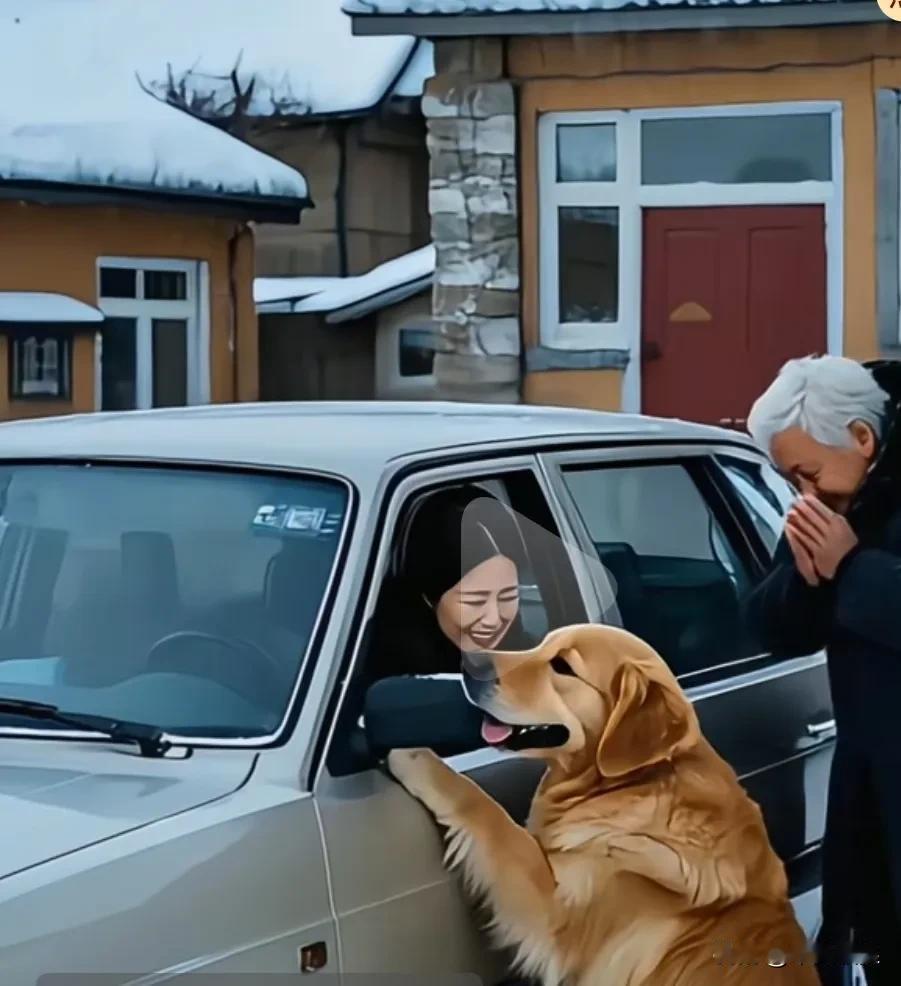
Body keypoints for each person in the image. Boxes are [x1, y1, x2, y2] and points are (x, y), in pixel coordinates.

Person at [745, 355, 901, 986]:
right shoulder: (837, 500)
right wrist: (808, 584)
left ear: (862, 438)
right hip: (869, 790)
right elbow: (768, 624)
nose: (805, 495)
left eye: (807, 473)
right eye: (790, 481)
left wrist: (854, 570)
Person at [361, 484, 531, 757]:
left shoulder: (538, 657)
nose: (493, 618)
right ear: (429, 597)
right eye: (474, 601)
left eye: (508, 596)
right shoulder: (381, 672)